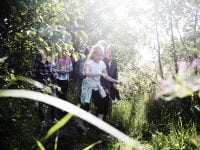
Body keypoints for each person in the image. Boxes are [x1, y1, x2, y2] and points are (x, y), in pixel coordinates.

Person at [80, 44, 122, 120]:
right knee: (85, 106)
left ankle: (99, 126)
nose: (100, 57)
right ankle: (83, 123)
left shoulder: (102, 63)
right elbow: (87, 73)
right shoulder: (90, 62)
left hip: (97, 87)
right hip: (88, 86)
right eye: (98, 55)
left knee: (101, 107)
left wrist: (116, 81)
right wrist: (99, 73)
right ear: (93, 54)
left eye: (101, 55)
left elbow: (106, 76)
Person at [32, 51, 57, 125]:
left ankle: (53, 119)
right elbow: (34, 70)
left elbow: (53, 67)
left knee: (53, 100)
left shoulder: (52, 54)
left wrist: (54, 73)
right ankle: (42, 121)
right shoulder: (39, 55)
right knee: (41, 101)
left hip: (50, 79)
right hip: (40, 79)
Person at [101, 44, 121, 121]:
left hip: (111, 83)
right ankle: (99, 120)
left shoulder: (114, 61)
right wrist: (105, 87)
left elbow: (116, 72)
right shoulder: (102, 60)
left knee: (110, 102)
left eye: (113, 52)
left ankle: (107, 120)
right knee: (103, 102)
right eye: (110, 52)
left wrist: (115, 83)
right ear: (107, 51)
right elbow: (102, 76)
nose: (111, 54)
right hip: (103, 84)